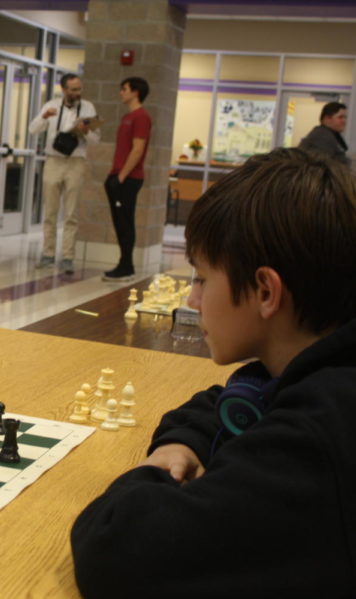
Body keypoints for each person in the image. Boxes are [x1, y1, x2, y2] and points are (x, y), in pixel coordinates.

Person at [71, 148, 356, 598]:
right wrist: (182, 442)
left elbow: (114, 550)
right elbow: (228, 397)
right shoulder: (318, 367)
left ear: (265, 290)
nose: (191, 301)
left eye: (202, 279)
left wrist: (151, 473)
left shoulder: (315, 441)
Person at [29, 73, 99, 274]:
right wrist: (44, 117)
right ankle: (48, 254)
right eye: (73, 89)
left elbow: (95, 140)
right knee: (50, 211)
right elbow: (32, 130)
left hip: (76, 162)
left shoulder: (88, 108)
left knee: (71, 213)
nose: (77, 93)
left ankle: (68, 257)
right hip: (53, 161)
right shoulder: (51, 105)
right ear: (64, 89)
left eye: (79, 89)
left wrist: (86, 131)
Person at [102, 76, 151, 282]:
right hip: (118, 176)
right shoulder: (127, 117)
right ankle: (124, 263)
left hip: (128, 178)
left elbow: (137, 149)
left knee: (125, 222)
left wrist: (121, 177)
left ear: (135, 92)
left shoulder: (141, 117)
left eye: (124, 89)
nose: (121, 92)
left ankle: (126, 265)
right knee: (119, 221)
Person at [298, 101, 350, 166]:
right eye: (340, 117)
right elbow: (322, 166)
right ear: (327, 119)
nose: (344, 121)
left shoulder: (330, 134)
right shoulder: (322, 136)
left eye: (345, 117)